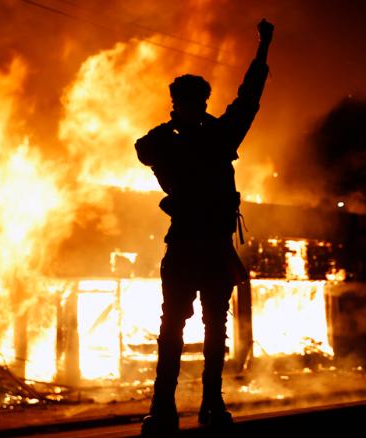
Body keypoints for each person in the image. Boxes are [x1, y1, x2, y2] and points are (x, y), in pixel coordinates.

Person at [135, 18, 274, 435]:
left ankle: (203, 405)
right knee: (178, 328)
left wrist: (263, 50)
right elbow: (143, 151)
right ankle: (169, 407)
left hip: (208, 245)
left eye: (191, 103)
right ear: (179, 105)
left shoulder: (212, 137)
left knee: (205, 328)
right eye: (184, 104)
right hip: (192, 245)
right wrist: (176, 127)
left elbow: (249, 97)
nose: (188, 109)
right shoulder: (182, 140)